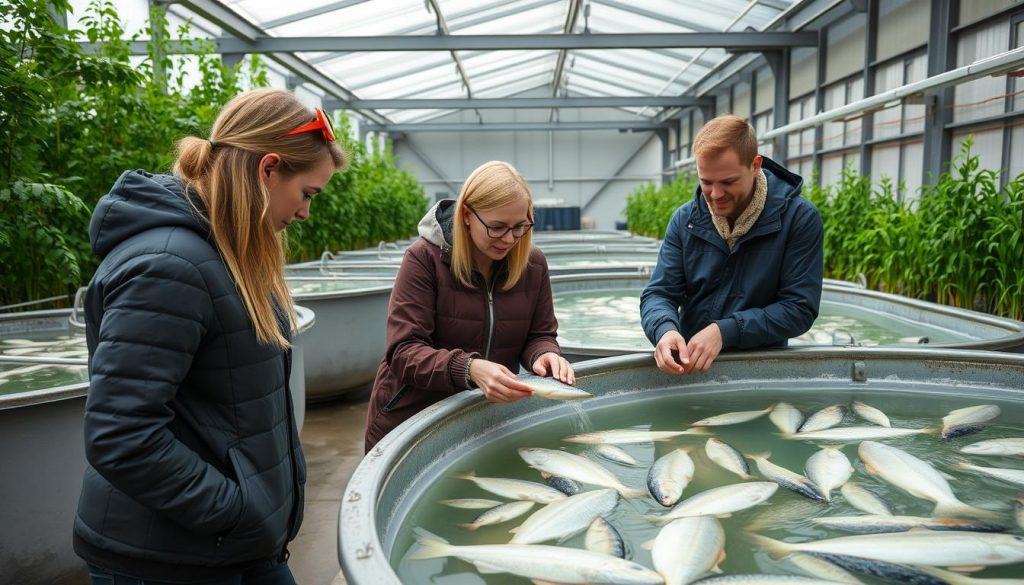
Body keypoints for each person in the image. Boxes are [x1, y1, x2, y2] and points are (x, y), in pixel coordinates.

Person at [74, 88, 347, 584]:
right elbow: (122, 435)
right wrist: (237, 509)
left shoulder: (231, 256)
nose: (306, 212)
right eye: (307, 193)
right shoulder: (170, 266)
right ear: (267, 169)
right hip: (171, 559)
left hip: (235, 547)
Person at [364, 160, 574, 452]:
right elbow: (403, 351)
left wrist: (545, 354)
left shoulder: (533, 264)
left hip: (485, 422)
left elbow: (539, 334)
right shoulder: (424, 259)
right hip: (412, 425)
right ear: (466, 215)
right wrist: (469, 368)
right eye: (497, 227)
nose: (510, 239)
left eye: (520, 227)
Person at [640, 115, 823, 375]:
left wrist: (725, 331)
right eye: (706, 182)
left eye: (728, 182)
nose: (715, 195)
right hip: (691, 373)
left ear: (755, 165)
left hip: (762, 372)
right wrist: (664, 330)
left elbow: (799, 309)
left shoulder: (799, 219)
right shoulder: (685, 220)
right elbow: (659, 293)